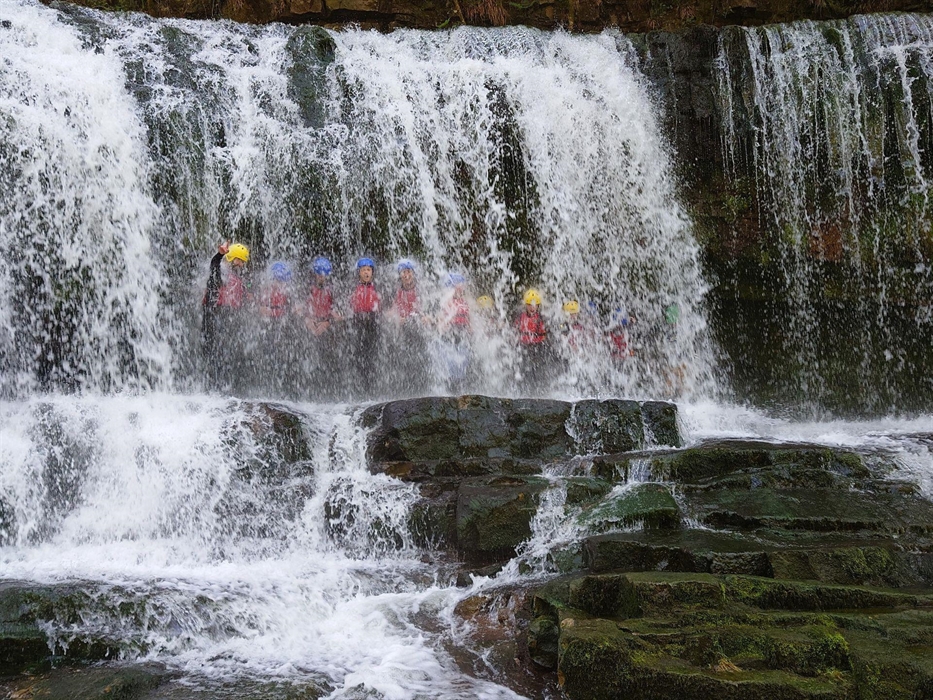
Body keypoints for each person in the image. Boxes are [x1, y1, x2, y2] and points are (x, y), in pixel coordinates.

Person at [201, 241, 251, 389]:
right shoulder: (221, 273)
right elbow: (214, 266)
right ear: (232, 258)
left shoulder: (238, 280)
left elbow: (241, 302)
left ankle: (223, 387)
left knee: (225, 355)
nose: (242, 265)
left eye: (243, 262)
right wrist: (220, 255)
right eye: (239, 261)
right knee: (214, 354)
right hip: (214, 316)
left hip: (226, 319)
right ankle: (213, 387)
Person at [349, 257, 381, 393]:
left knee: (372, 356)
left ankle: (371, 388)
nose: (366, 273)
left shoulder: (378, 288)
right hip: (358, 323)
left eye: (368, 270)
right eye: (363, 270)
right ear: (359, 272)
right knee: (358, 356)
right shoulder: (354, 288)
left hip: (373, 324)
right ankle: (358, 388)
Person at [435, 273, 472, 392]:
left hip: (462, 334)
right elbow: (440, 320)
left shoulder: (465, 302)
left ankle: (460, 389)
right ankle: (448, 390)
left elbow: (469, 319)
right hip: (449, 335)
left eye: (461, 286)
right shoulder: (445, 301)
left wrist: (471, 329)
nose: (459, 288)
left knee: (462, 364)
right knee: (449, 364)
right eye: (457, 286)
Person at [515, 288, 550, 390]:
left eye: (535, 305)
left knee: (537, 369)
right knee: (523, 369)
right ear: (526, 305)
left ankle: (538, 389)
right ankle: (522, 388)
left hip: (537, 347)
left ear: (538, 306)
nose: (532, 307)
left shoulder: (541, 318)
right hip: (523, 346)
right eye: (530, 305)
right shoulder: (520, 317)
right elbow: (515, 331)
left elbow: (545, 334)